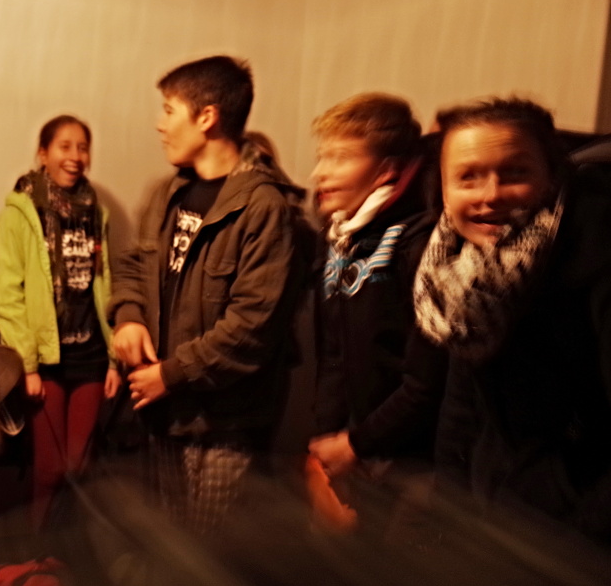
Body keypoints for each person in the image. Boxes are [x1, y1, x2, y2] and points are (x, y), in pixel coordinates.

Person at [108, 56, 312, 533]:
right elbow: (134, 265)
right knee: (170, 545)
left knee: (211, 554)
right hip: (165, 412)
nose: (160, 124)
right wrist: (129, 316)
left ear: (207, 116)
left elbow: (252, 327)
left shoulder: (263, 206)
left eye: (169, 110)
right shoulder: (166, 192)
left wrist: (171, 374)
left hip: (225, 422)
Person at [414, 97, 611, 541]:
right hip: (498, 517)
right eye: (468, 177)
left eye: (515, 173)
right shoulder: (461, 270)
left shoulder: (596, 252)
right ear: (444, 191)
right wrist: (450, 509)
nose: (490, 195)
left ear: (551, 177)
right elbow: (462, 408)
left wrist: (577, 538)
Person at [306, 93, 447, 530]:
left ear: (387, 169)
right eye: (321, 157)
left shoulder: (420, 241)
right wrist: (324, 442)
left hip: (410, 460)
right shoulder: (341, 234)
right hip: (349, 448)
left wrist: (357, 445)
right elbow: (333, 353)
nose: (320, 172)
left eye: (340, 157)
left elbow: (427, 379)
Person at [0, 115, 121, 528]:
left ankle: (70, 556)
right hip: (46, 359)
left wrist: (114, 359)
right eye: (65, 146)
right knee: (48, 470)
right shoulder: (21, 212)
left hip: (91, 355)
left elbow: (104, 285)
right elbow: (7, 295)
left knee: (79, 467)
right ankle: (38, 550)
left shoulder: (95, 212)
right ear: (43, 153)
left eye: (82, 147)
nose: (75, 156)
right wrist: (28, 365)